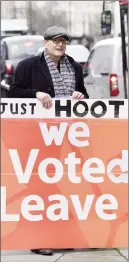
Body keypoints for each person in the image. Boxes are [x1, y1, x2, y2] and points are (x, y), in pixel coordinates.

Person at [8, 25, 89, 255]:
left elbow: (85, 98)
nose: (60, 44)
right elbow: (13, 93)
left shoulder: (74, 66)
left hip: (67, 136)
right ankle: (38, 238)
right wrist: (35, 94)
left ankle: (58, 235)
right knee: (39, 187)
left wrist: (80, 95)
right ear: (45, 43)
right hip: (37, 138)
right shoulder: (28, 66)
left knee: (62, 186)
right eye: (55, 40)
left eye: (63, 40)